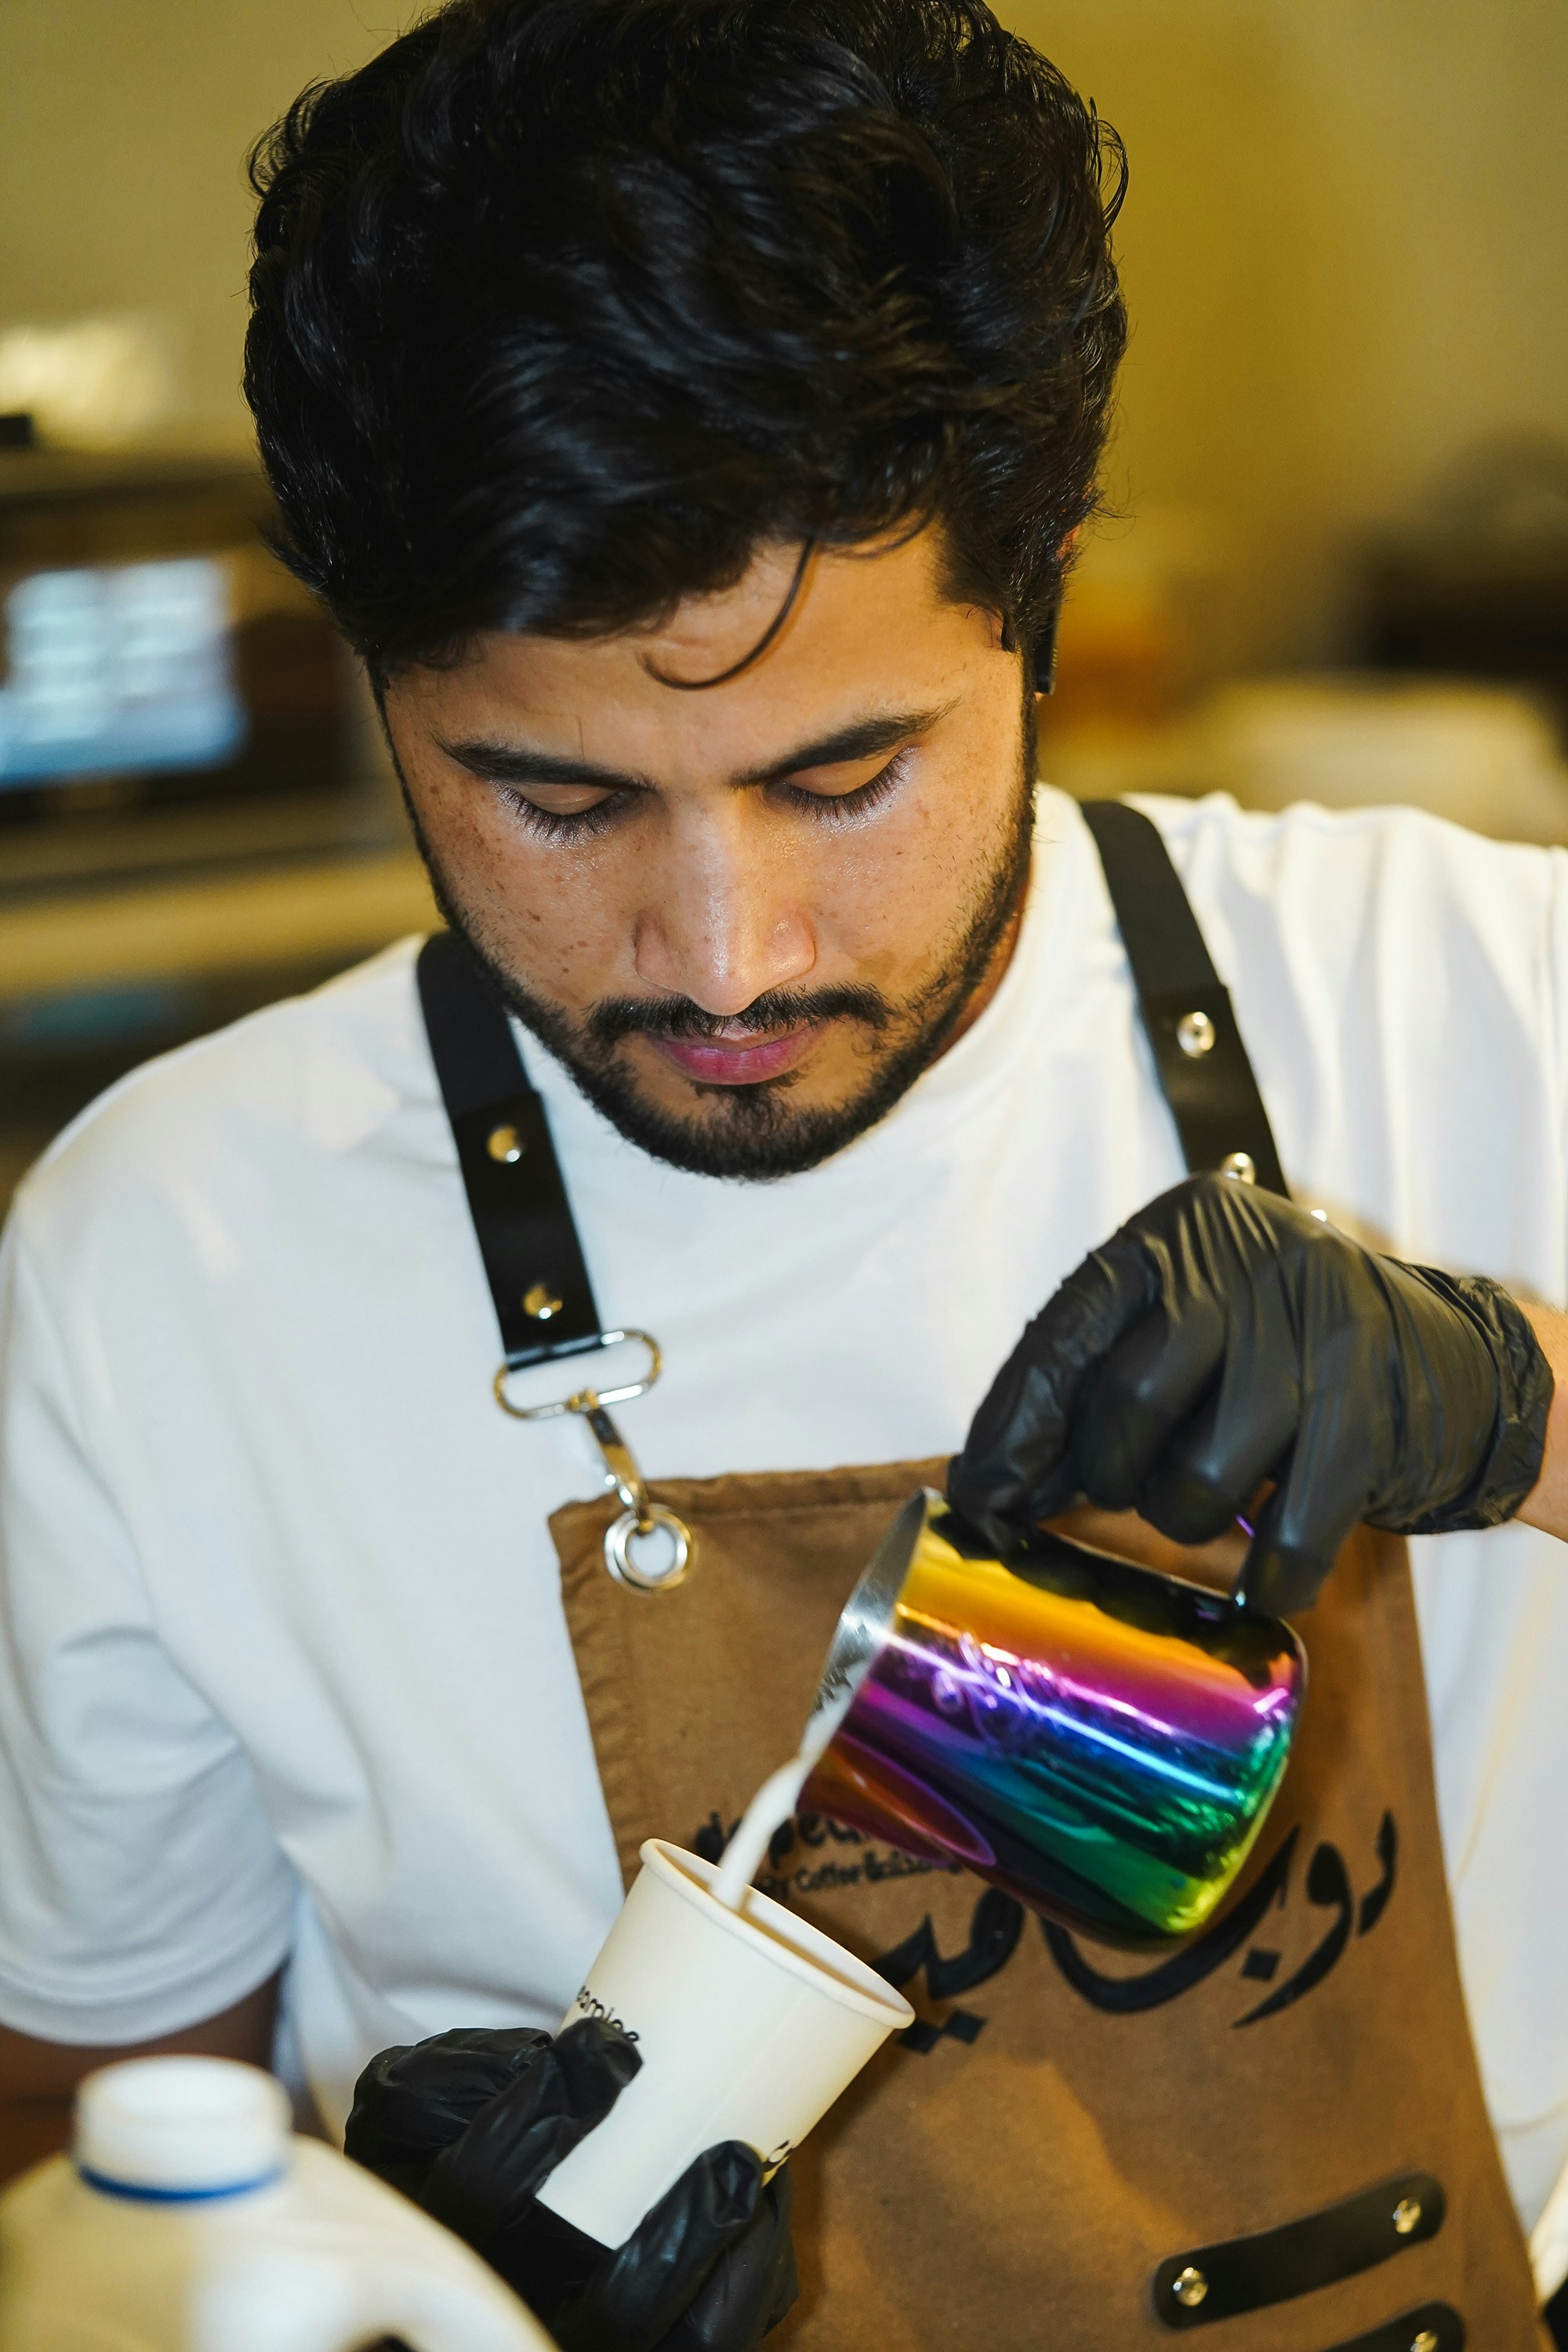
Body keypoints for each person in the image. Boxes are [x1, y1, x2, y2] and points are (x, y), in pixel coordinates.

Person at [2, 1, 1567, 2344]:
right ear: (380, 693)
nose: (722, 960)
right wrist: (407, 2291)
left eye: (845, 780)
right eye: (559, 798)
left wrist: (1529, 1407)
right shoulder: (164, 1256)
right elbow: (91, 2131)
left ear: (1035, 613)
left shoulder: (1483, 994)